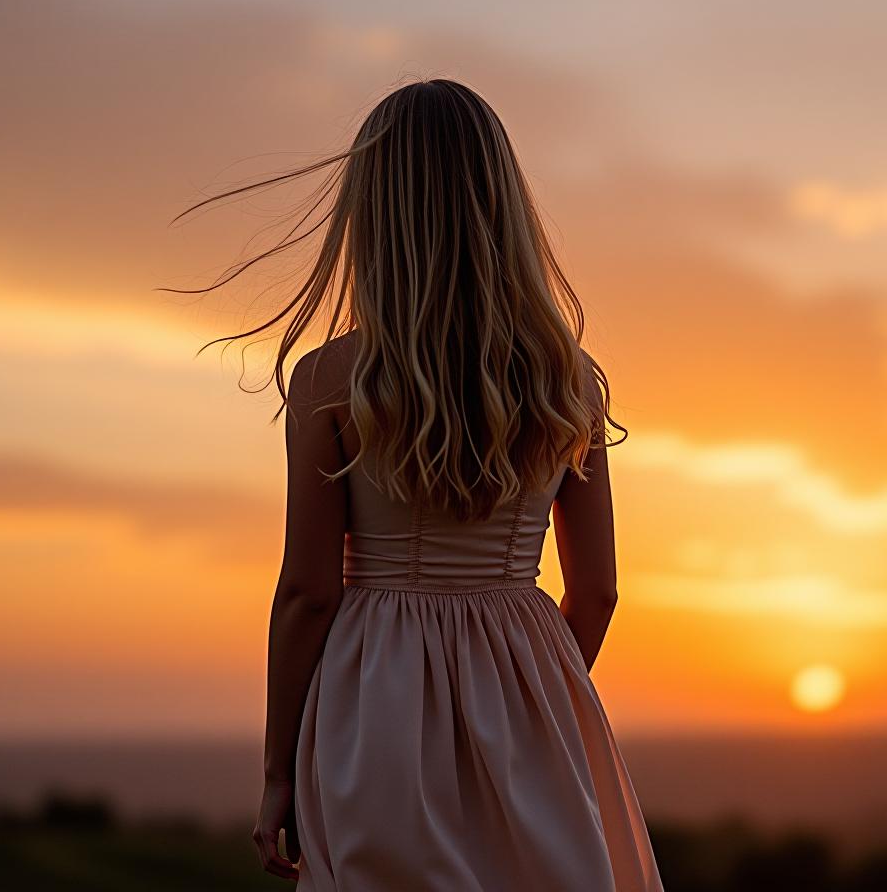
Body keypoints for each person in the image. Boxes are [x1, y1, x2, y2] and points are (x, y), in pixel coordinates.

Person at [174, 78, 665, 889]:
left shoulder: (333, 377)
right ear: (502, 204)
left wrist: (278, 774)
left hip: (376, 697)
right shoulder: (566, 379)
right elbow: (599, 591)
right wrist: (522, 708)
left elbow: (309, 592)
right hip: (532, 680)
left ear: (372, 209)